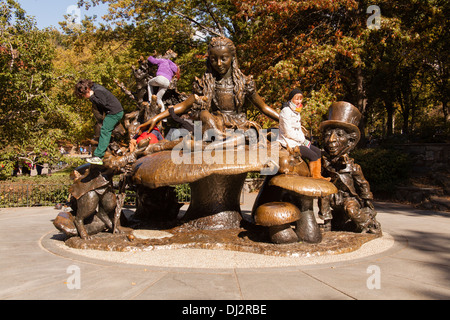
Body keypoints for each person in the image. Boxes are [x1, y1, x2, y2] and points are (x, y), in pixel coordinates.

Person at [137, 37, 279, 141]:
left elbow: (264, 108)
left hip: (240, 127)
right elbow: (183, 106)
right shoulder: (205, 84)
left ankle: (224, 139)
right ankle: (219, 138)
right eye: (213, 59)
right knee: (204, 114)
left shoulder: (245, 83)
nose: (219, 63)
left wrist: (286, 120)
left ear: (232, 58)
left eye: (223, 58)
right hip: (215, 125)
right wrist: (156, 118)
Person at [278, 88, 330, 181]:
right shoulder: (286, 111)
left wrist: (305, 141)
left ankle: (318, 175)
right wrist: (302, 140)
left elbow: (298, 129)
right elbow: (288, 132)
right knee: (313, 156)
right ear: (291, 100)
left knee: (317, 151)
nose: (299, 101)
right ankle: (315, 178)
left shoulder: (296, 111)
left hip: (298, 141)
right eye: (296, 99)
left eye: (300, 99)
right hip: (289, 143)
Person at [74, 79, 124, 165]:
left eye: (83, 95)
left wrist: (92, 97)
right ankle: (114, 149)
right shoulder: (95, 88)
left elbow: (103, 103)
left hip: (115, 113)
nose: (84, 97)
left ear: (86, 90)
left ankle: (98, 157)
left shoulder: (98, 91)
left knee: (105, 130)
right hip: (112, 112)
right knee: (104, 129)